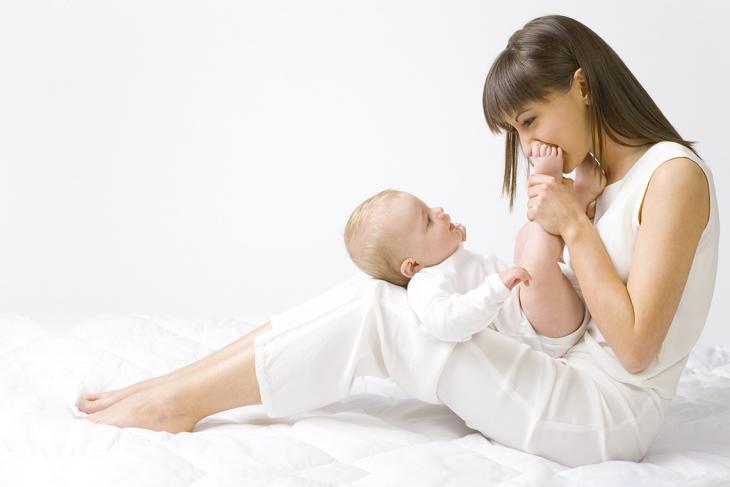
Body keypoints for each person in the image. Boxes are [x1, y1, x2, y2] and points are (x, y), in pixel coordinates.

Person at [75, 15, 719, 467]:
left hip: (603, 415)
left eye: (529, 121)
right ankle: (177, 384)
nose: (528, 147)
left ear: (581, 85)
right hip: (561, 363)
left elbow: (635, 349)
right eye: (515, 133)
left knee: (379, 313)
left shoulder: (674, 177)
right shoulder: (594, 175)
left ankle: (174, 402)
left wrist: (572, 225)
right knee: (379, 289)